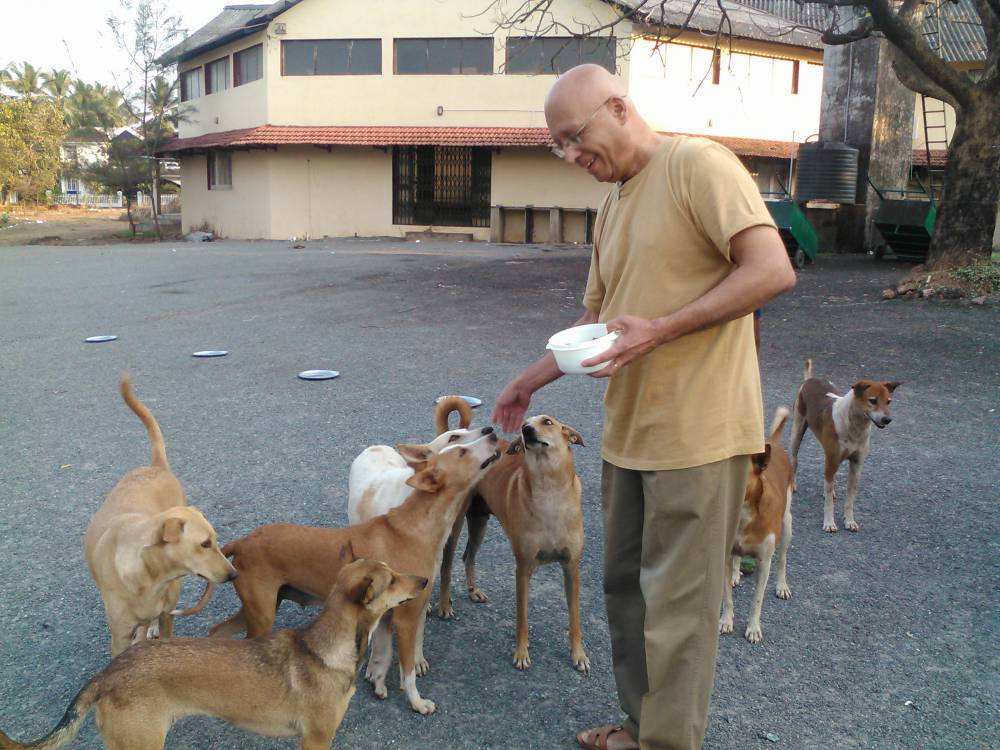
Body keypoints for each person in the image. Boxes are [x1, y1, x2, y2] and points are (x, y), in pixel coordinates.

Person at [492, 64, 796, 750]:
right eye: (558, 147)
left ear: (619, 108)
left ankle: (666, 743)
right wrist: (528, 381)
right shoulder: (614, 202)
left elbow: (771, 270)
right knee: (626, 598)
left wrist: (661, 330)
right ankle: (640, 726)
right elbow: (596, 320)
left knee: (681, 612)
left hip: (701, 433)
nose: (570, 156)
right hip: (630, 434)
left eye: (573, 137)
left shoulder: (698, 166)